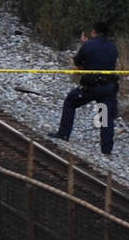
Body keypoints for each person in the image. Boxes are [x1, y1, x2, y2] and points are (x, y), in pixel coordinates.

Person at [49, 22, 119, 154]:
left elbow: (77, 61)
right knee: (106, 116)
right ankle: (106, 149)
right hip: (109, 87)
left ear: (93, 32)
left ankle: (64, 133)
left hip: (91, 86)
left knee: (70, 101)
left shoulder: (88, 45)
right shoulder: (113, 47)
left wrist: (85, 45)